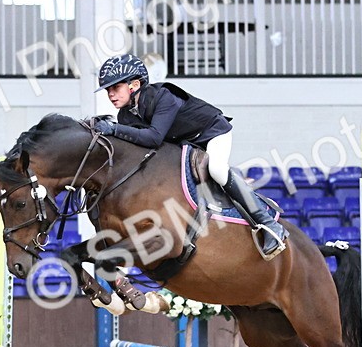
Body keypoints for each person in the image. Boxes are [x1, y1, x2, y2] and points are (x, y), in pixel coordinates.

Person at [91, 54, 286, 260]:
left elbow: (154, 137)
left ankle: (269, 224)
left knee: (217, 169)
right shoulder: (125, 115)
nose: (111, 94)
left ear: (135, 84)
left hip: (212, 132)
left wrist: (114, 130)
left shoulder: (163, 96)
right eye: (108, 90)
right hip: (184, 144)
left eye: (115, 88)